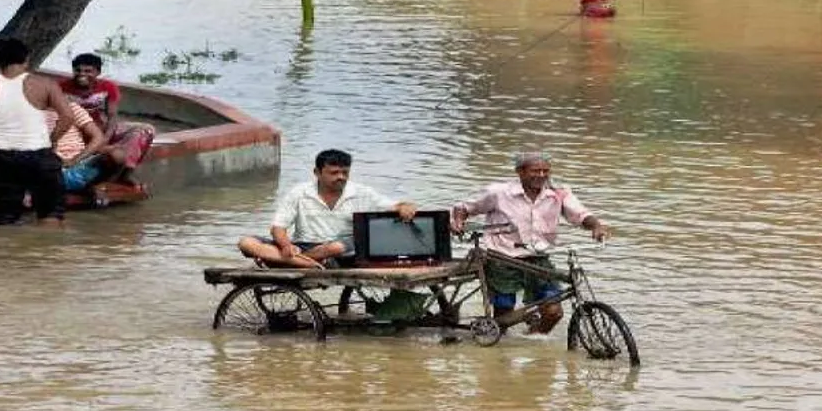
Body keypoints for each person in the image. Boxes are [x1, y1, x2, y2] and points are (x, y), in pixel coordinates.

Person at [451, 151, 610, 334]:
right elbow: (464, 208)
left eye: (545, 171)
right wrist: (458, 222)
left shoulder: (557, 194)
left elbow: (580, 214)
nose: (541, 175)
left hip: (538, 258)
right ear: (520, 171)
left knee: (554, 312)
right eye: (535, 171)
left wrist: (596, 226)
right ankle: (501, 350)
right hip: (503, 259)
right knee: (504, 315)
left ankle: (533, 338)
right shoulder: (499, 193)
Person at [238, 149, 418, 269]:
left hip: (341, 249)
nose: (341, 177)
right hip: (302, 246)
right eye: (334, 173)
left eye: (345, 173)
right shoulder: (299, 192)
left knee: (336, 247)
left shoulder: (362, 193)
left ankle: (287, 262)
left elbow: (395, 206)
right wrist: (286, 246)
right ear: (317, 172)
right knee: (246, 243)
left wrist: (406, 206)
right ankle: (305, 263)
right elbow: (278, 228)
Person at [0, 38, 76, 226]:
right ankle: (46, 252)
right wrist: (53, 139)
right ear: (27, 59)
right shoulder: (45, 84)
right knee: (50, 214)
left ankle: (3, 253)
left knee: (6, 216)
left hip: (2, 159)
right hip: (40, 155)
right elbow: (68, 116)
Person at [59, 53, 155, 183]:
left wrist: (105, 139)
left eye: (88, 71)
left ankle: (127, 171)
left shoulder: (108, 87)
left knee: (145, 130)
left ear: (98, 72)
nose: (82, 74)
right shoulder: (60, 87)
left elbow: (112, 116)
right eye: (78, 70)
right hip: (76, 131)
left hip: (100, 127)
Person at [44, 101, 117, 192]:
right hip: (51, 166)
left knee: (117, 154)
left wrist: (75, 160)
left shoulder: (71, 107)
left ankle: (95, 184)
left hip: (79, 163)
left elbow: (98, 137)